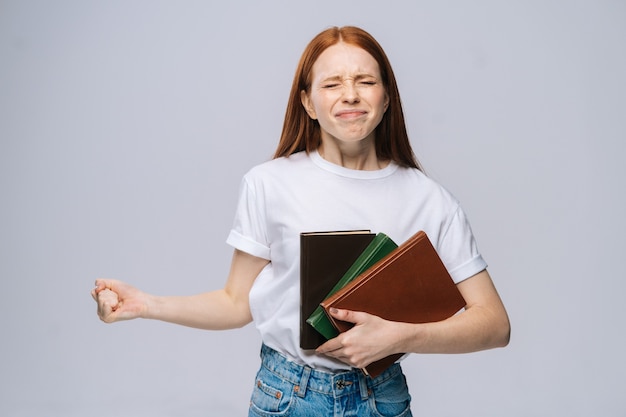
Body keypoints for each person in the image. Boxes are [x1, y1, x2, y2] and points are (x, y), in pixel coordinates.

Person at [92, 26, 510, 417]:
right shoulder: (268, 184)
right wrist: (147, 305)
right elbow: (237, 303)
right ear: (308, 102)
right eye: (332, 84)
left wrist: (400, 337)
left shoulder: (430, 200)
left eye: (366, 81)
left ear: (386, 97)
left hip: (381, 396)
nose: (350, 95)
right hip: (288, 394)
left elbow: (494, 324)